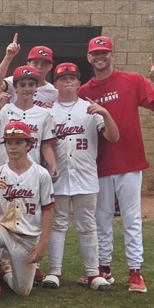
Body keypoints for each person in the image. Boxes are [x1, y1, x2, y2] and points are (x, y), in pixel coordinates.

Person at [78, 36, 154, 293]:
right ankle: (104, 269)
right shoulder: (84, 92)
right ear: (89, 58)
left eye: (104, 53)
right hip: (100, 164)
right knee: (102, 219)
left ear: (112, 55)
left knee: (131, 218)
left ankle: (135, 272)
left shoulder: (132, 81)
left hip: (130, 162)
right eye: (95, 54)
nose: (100, 57)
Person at [44, 63, 119, 291]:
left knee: (87, 225)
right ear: (55, 84)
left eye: (72, 78)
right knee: (58, 224)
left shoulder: (90, 108)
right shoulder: (47, 111)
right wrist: (51, 165)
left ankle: (93, 273)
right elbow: (44, 144)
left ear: (79, 83)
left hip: (86, 176)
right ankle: (54, 271)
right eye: (63, 78)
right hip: (59, 176)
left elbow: (113, 137)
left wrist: (106, 113)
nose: (67, 82)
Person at [0, 121, 55, 303]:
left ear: (29, 145)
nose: (13, 147)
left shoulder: (41, 174)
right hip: (4, 230)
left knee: (23, 291)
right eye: (9, 143)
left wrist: (43, 243)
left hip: (28, 237)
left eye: (18, 142)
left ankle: (6, 275)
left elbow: (48, 211)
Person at [0, 34, 57, 108]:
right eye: (35, 63)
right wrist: (8, 57)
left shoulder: (53, 92)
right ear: (28, 64)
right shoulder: (16, 80)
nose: (39, 67)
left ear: (50, 67)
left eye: (44, 64)